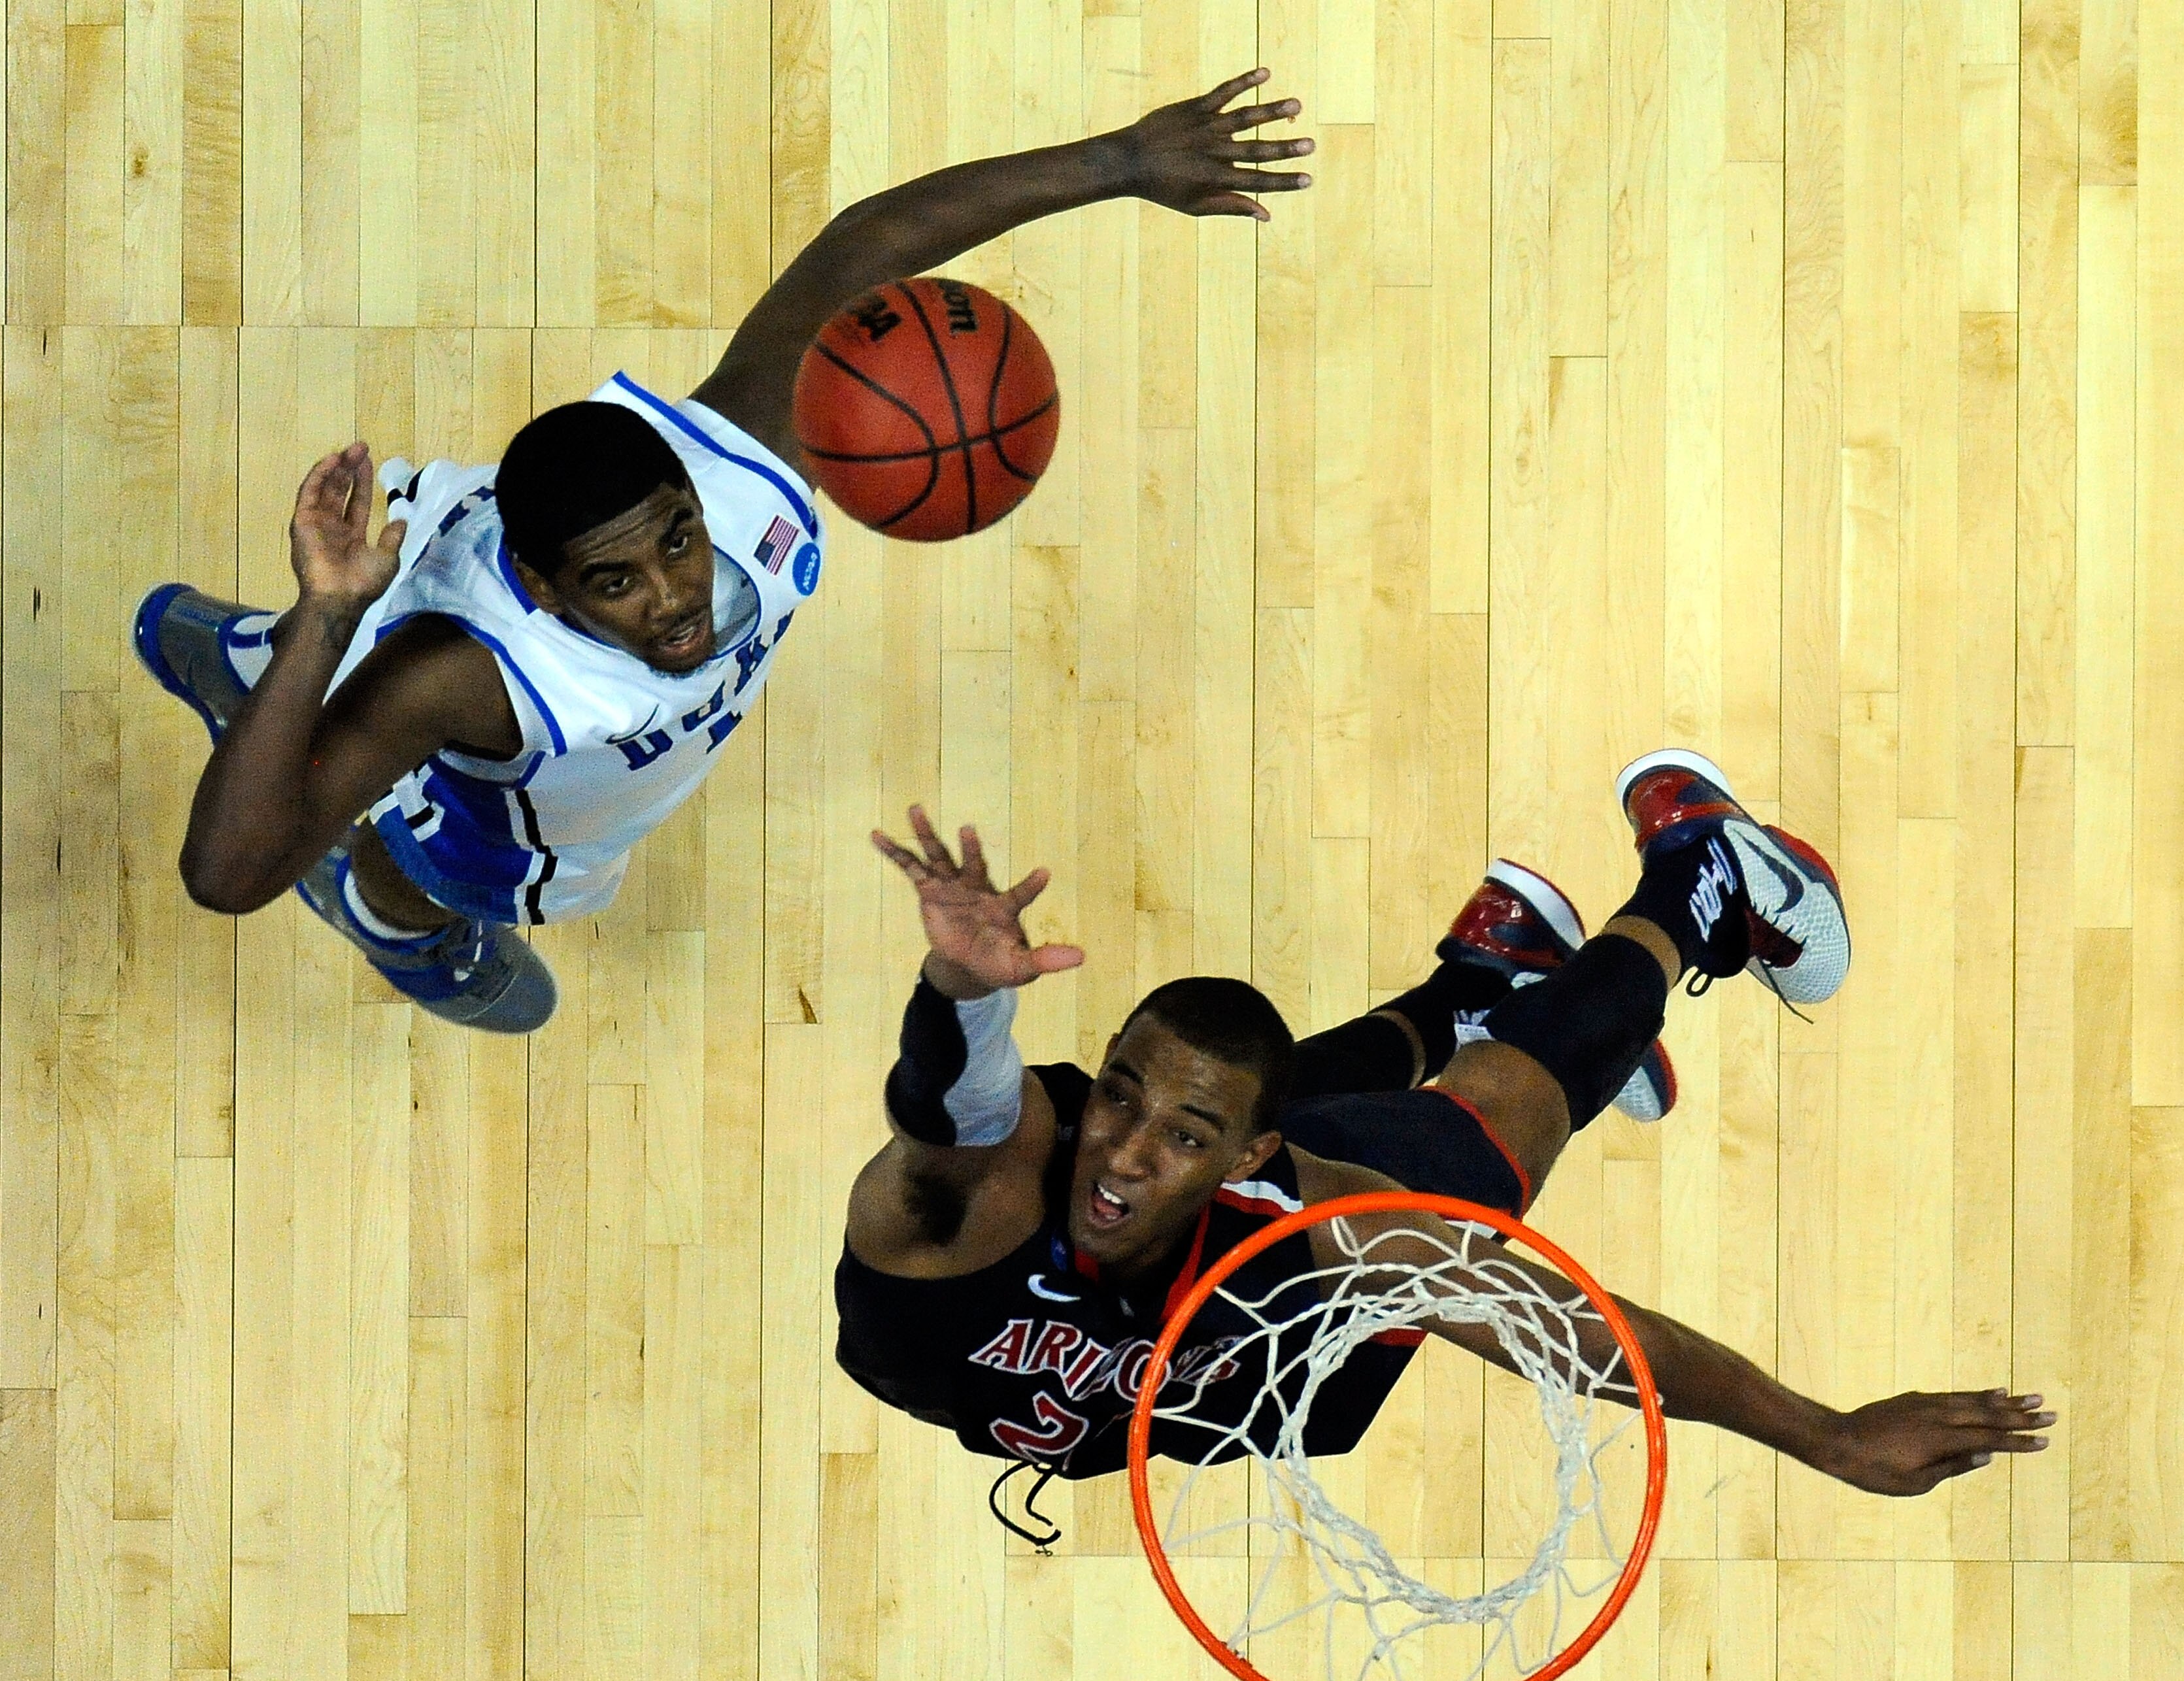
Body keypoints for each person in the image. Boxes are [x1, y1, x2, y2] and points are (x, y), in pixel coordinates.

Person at [132, 72, 1318, 1032]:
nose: (674, 599)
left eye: (675, 544)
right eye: (616, 583)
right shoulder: (459, 673)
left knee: (316, 685)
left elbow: (869, 245)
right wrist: (337, 616)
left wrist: (1120, 162)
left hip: (457, 594)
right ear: (543, 590)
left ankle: (248, 660)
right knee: (431, 858)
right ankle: (390, 914)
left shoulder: (736, 462)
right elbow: (227, 875)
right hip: (487, 787)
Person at [833, 752, 2054, 1542]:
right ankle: (1478, 984)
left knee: (1481, 1158)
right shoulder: (970, 1204)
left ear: (1249, 1164)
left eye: (1185, 1138)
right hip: (1154, 1377)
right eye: (1119, 1102)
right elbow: (953, 1114)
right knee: (1244, 1088)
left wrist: (1822, 1433)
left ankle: (1697, 881)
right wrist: (968, 997)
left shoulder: (1330, 1222)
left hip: (1253, 1320)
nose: (1124, 1156)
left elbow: (1565, 1322)